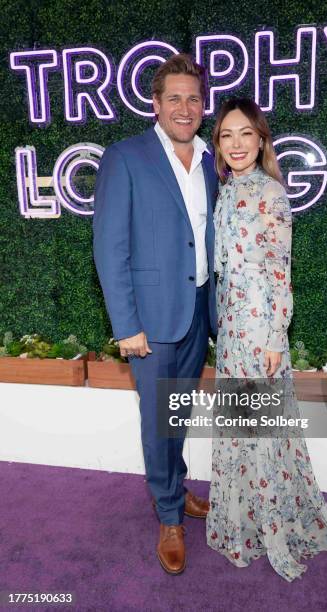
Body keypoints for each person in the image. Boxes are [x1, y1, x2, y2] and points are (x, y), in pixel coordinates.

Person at [206, 97, 327, 581]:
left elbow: (278, 269)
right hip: (232, 326)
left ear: (262, 139)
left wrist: (271, 336)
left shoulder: (271, 193)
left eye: (246, 133)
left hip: (260, 326)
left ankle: (274, 522)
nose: (237, 143)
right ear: (218, 145)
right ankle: (246, 519)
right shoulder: (225, 192)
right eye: (227, 135)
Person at [93, 54, 218, 575]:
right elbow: (109, 247)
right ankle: (168, 515)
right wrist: (126, 326)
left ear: (203, 105)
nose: (184, 108)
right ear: (156, 103)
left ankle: (176, 485)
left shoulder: (214, 159)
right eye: (175, 98)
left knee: (178, 413)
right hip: (151, 317)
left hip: (198, 307)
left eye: (193, 98)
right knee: (157, 420)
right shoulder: (126, 157)